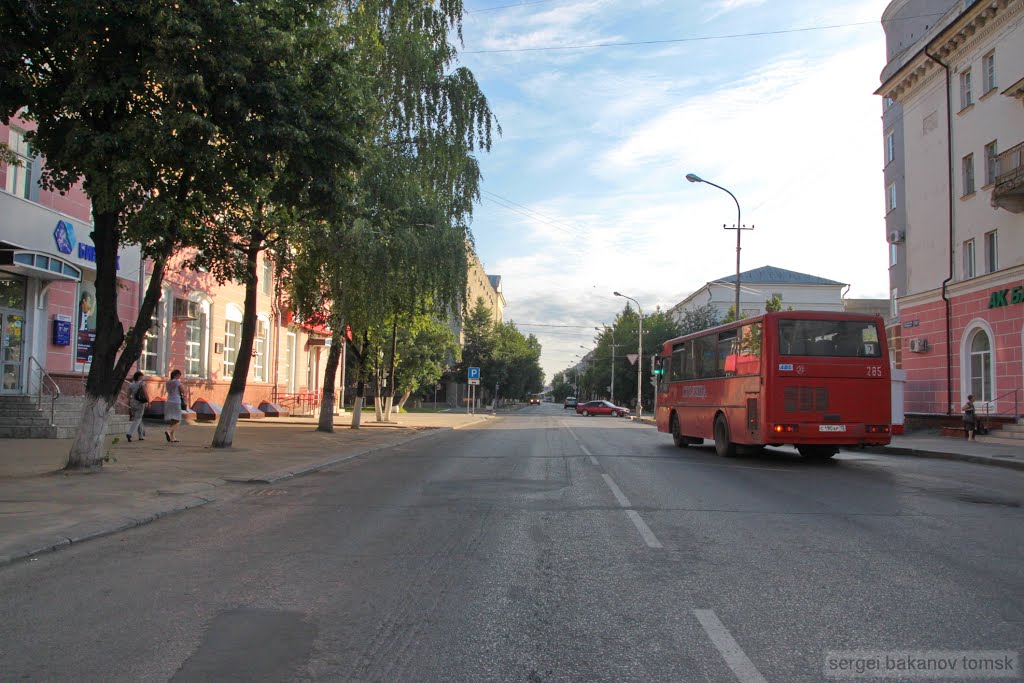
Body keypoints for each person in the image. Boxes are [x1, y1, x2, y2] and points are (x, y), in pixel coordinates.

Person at [126, 371, 148, 442]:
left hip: (133, 402)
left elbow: (128, 395)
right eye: (142, 376)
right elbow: (145, 393)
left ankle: (141, 436)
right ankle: (130, 433)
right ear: (139, 377)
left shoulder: (131, 384)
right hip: (140, 403)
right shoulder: (142, 383)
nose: (143, 377)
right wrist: (149, 401)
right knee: (137, 419)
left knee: (138, 418)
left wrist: (130, 401)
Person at [164, 369, 186, 443]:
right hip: (176, 401)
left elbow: (168, 390)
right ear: (176, 375)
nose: (179, 377)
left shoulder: (167, 382)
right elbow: (183, 391)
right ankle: (169, 430)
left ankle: (172, 437)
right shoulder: (177, 382)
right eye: (179, 375)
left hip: (169, 401)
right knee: (178, 420)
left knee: (173, 419)